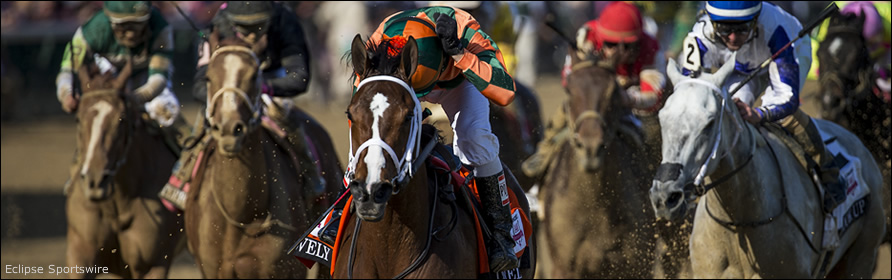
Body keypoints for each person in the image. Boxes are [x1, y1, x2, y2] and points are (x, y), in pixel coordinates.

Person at [347, 5, 519, 273]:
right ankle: (338, 216)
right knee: (371, 127)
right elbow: (360, 102)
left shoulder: (467, 29)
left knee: (474, 138)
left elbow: (505, 93)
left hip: (459, 80)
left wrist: (460, 54)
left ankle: (501, 232)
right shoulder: (384, 35)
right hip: (401, 83)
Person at [679, 1, 847, 213]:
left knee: (781, 117)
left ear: (756, 20)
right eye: (724, 28)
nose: (733, 38)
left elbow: (787, 98)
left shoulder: (777, 29)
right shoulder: (700, 35)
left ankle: (829, 173)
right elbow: (691, 94)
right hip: (739, 67)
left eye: (742, 28)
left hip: (788, 52)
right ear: (711, 22)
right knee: (726, 113)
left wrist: (759, 114)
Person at [158, 1, 320, 211]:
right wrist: (226, 93)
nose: (252, 35)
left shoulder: (285, 20)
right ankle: (183, 174)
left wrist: (261, 87)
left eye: (259, 26)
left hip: (270, 80)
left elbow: (299, 77)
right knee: (207, 117)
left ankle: (310, 175)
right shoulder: (218, 24)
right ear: (232, 21)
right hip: (231, 84)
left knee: (283, 110)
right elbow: (199, 85)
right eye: (245, 28)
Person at [57, 1, 191, 192]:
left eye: (137, 25)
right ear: (109, 20)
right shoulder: (91, 30)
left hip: (146, 79)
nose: (130, 33)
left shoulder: (161, 27)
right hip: (109, 77)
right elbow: (67, 70)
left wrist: (133, 100)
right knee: (97, 121)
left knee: (167, 113)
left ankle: (188, 167)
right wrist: (66, 94)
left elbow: (158, 79)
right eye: (123, 26)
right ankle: (77, 172)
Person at [522, 1, 666, 178]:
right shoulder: (587, 37)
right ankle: (544, 152)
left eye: (628, 46)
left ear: (639, 41)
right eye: (611, 44)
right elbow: (568, 80)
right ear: (601, 36)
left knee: (653, 131)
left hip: (631, 102)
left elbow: (653, 97)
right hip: (594, 96)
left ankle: (654, 172)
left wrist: (626, 97)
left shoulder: (651, 49)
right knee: (565, 110)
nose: (619, 52)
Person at [807, 1, 890, 103]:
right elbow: (813, 53)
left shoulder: (888, 17)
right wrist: (822, 70)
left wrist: (884, 71)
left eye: (871, 43)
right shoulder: (828, 23)